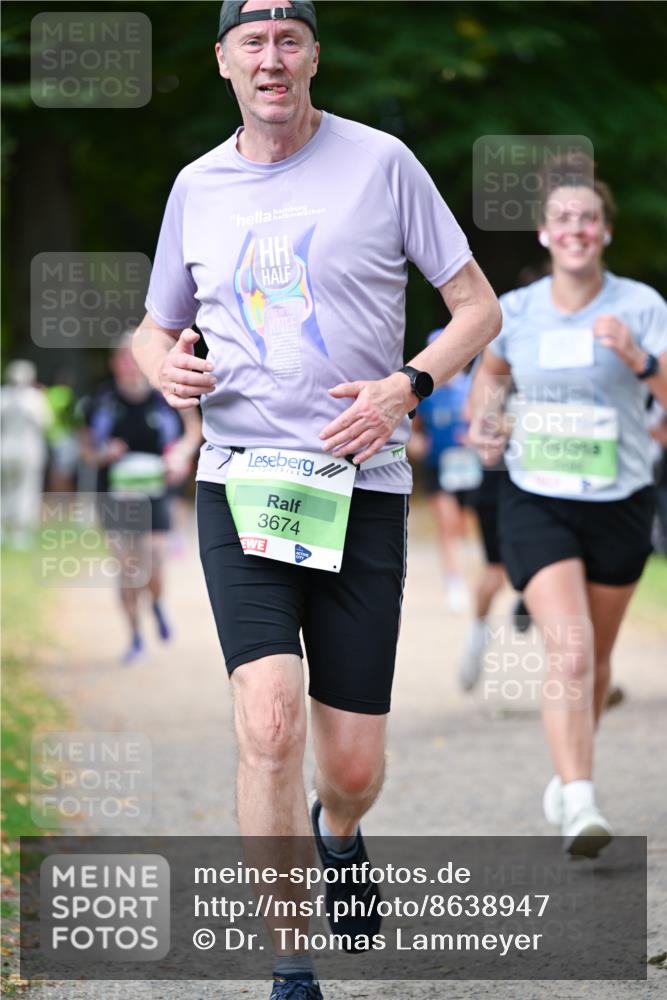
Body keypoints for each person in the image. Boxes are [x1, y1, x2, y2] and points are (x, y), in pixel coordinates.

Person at [132, 2, 501, 996]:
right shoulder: (195, 187)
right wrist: (167, 368)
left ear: (313, 57)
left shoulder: (381, 163)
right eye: (251, 41)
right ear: (222, 62)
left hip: (361, 488)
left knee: (347, 768)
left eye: (289, 38)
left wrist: (405, 387)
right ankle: (288, 960)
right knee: (266, 716)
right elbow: (150, 328)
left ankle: (341, 833)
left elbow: (477, 307)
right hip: (241, 481)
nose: (271, 56)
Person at [470, 155, 667, 858]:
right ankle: (580, 798)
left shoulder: (641, 306)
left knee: (598, 659)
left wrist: (641, 359)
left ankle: (567, 774)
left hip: (619, 497)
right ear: (543, 232)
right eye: (563, 218)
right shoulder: (515, 311)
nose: (575, 228)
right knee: (571, 650)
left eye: (588, 218)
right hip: (536, 497)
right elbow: (488, 376)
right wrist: (484, 425)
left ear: (604, 232)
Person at [81, 338, 202, 664]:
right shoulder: (102, 401)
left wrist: (179, 455)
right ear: (114, 363)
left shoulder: (164, 397)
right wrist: (103, 454)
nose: (130, 365)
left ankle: (158, 603)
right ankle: (134, 636)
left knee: (153, 563)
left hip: (156, 495)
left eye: (135, 358)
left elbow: (193, 431)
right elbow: (87, 450)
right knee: (127, 569)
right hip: (115, 497)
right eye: (123, 359)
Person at [408, 339, 481, 614]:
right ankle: (454, 582)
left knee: (464, 525)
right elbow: (414, 430)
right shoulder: (426, 394)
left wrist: (477, 437)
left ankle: (468, 575)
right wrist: (416, 443)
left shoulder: (471, 387)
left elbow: (486, 422)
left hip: (469, 467)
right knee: (447, 523)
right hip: (439, 467)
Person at [0, 359, 52, 549]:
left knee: (6, 489)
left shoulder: (3, 396)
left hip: (6, 449)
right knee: (24, 490)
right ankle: (17, 532)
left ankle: (9, 530)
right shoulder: (35, 398)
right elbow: (46, 423)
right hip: (27, 450)